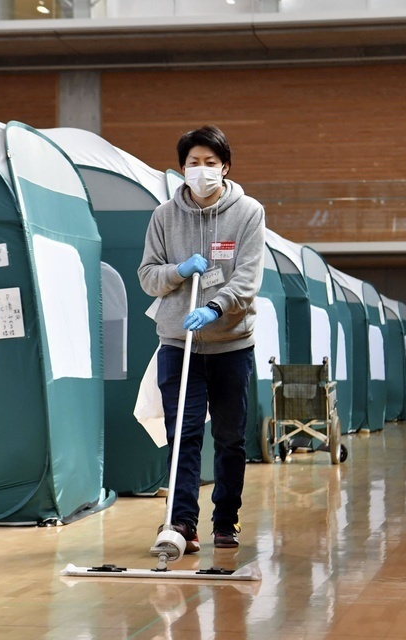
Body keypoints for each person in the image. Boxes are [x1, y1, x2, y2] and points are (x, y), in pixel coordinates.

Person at [138, 125, 265, 551]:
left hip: (231, 344)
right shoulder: (164, 216)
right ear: (182, 168)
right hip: (179, 343)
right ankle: (181, 524)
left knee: (230, 438)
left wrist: (215, 307)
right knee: (184, 434)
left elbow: (248, 278)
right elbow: (147, 276)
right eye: (194, 162)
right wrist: (177, 271)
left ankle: (225, 521)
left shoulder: (248, 212)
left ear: (225, 167)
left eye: (211, 162)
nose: (202, 170)